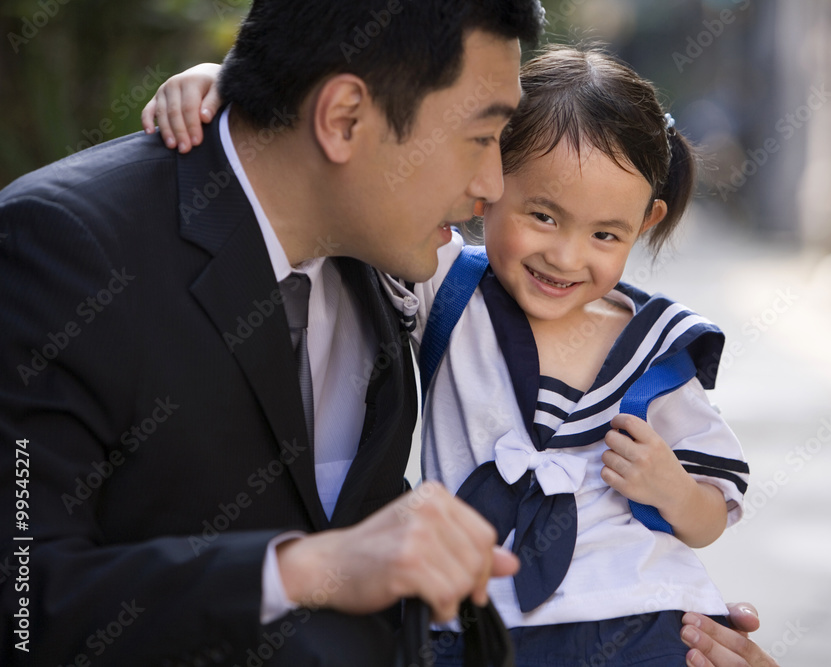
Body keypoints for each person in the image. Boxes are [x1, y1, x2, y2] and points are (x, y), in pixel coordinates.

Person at [144, 47, 783, 667]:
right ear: (487, 185)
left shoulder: (659, 348)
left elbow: (710, 517)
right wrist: (229, 91)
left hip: (639, 615)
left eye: (604, 234)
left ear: (645, 224)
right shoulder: (448, 289)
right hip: (473, 620)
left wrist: (671, 489)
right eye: (542, 215)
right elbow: (331, 207)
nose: (565, 256)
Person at [0, 2, 545, 665]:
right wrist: (297, 569)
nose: (493, 185)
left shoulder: (382, 240)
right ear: (343, 119)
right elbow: (23, 602)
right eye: (481, 137)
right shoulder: (63, 249)